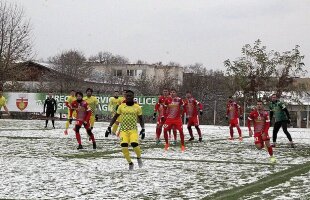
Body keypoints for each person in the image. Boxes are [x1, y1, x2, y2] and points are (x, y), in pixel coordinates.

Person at [105, 90, 145, 170]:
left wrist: (143, 129)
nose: (129, 97)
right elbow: (115, 117)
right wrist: (109, 127)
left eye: (130, 96)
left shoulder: (137, 107)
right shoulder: (121, 106)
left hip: (133, 130)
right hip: (123, 130)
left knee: (134, 144)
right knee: (124, 147)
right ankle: (130, 163)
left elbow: (141, 119)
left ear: (133, 97)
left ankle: (139, 157)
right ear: (125, 97)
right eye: (127, 96)